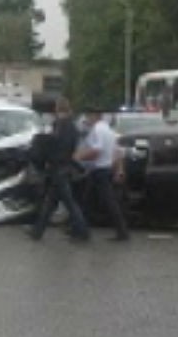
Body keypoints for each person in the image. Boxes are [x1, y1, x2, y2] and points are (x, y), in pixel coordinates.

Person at [28, 97, 90, 242]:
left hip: (57, 168)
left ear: (57, 109)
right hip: (66, 166)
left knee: (69, 203)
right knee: (51, 202)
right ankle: (37, 231)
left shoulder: (59, 125)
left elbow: (54, 145)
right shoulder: (74, 127)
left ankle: (83, 232)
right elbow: (71, 147)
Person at [75, 106, 130, 241]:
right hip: (105, 169)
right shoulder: (109, 130)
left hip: (98, 170)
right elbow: (117, 152)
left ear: (94, 116)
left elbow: (96, 150)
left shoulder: (98, 130)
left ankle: (82, 231)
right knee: (93, 201)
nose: (86, 119)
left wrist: (79, 157)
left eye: (88, 116)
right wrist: (118, 169)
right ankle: (81, 230)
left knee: (102, 202)